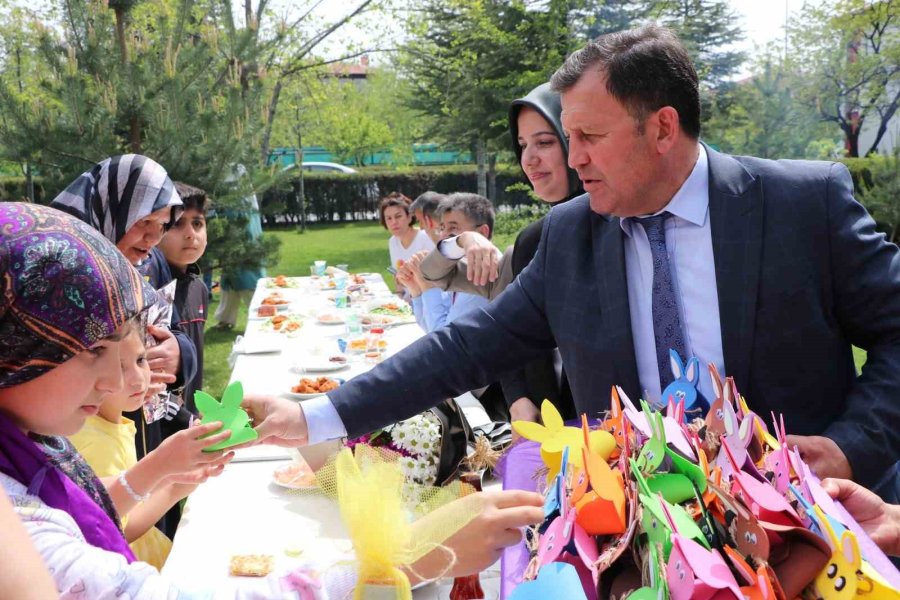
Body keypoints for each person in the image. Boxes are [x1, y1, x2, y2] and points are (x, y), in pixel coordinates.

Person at [242, 25, 900, 491]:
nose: (572, 156)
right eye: (569, 136)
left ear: (663, 128)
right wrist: (317, 415)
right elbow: (470, 347)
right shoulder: (570, 234)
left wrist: (851, 446)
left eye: (589, 136)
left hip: (811, 532)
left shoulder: (802, 204)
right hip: (636, 541)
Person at [0, 202, 544, 597]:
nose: (117, 378)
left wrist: (160, 469)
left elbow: (84, 508)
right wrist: (403, 558)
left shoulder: (25, 448)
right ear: (15, 348)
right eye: (92, 348)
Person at [420, 82, 583, 423]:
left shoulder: (617, 231)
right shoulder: (527, 244)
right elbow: (434, 274)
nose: (529, 159)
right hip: (544, 427)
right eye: (522, 145)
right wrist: (462, 240)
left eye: (545, 142)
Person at [69, 325, 231, 569]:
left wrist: (172, 475)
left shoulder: (113, 419)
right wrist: (175, 486)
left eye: (141, 359)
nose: (138, 379)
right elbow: (118, 529)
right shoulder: (94, 440)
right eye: (121, 368)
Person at [158, 181, 211, 416]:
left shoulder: (198, 288)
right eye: (178, 224)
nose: (191, 234)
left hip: (190, 417)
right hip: (160, 424)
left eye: (197, 224)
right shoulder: (152, 289)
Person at [214, 164, 266, 330]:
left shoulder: (238, 200)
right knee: (229, 284)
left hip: (243, 246)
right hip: (240, 245)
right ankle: (225, 318)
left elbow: (235, 222)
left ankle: (262, 316)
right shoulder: (245, 196)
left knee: (248, 283)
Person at [380, 191, 434, 298]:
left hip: (428, 300)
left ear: (409, 217)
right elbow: (397, 277)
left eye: (398, 216)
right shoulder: (392, 241)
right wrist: (399, 297)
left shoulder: (425, 237)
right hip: (408, 300)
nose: (393, 222)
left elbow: (435, 279)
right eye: (389, 218)